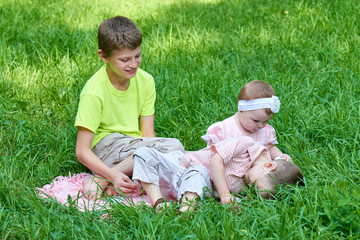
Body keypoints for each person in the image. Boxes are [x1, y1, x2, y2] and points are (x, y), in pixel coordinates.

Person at [74, 16, 184, 200]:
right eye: (124, 59)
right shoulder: (94, 91)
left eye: (137, 56)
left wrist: (151, 156)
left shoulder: (146, 81)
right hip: (105, 149)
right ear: (103, 56)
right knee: (175, 146)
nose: (133, 64)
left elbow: (148, 133)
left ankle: (108, 182)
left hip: (133, 147)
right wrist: (113, 172)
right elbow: (82, 151)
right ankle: (107, 177)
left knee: (172, 153)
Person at [132, 136, 304, 213]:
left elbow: (237, 201)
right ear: (268, 165)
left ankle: (184, 213)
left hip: (197, 184)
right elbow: (216, 161)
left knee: (198, 171)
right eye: (256, 184)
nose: (250, 186)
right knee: (143, 153)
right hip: (180, 166)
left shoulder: (253, 179)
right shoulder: (246, 145)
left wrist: (233, 205)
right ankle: (159, 204)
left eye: (254, 189)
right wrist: (225, 194)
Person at [202, 80, 291, 161]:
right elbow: (213, 157)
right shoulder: (223, 130)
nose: (260, 126)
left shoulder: (265, 132)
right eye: (255, 121)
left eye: (265, 121)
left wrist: (280, 156)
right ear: (241, 110)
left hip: (256, 172)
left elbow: (270, 148)